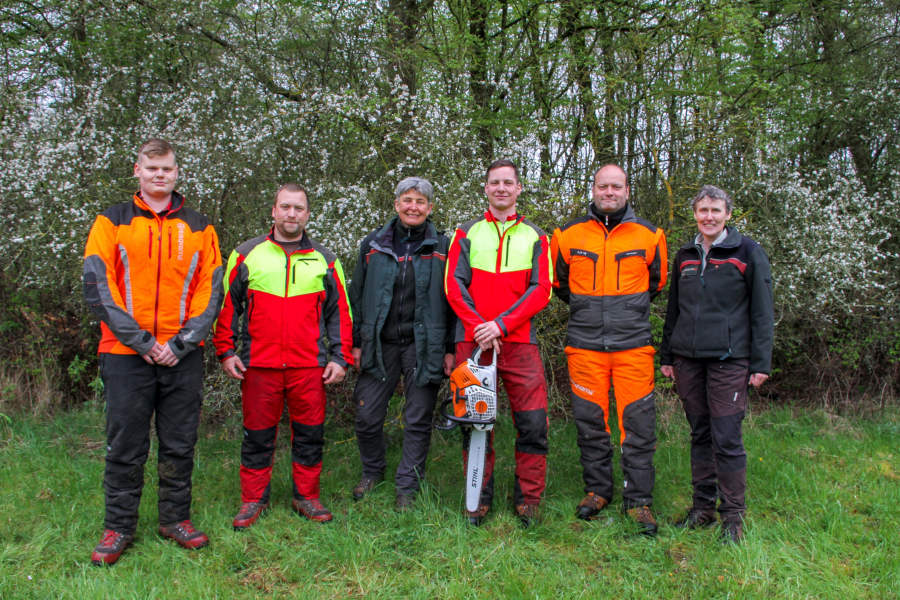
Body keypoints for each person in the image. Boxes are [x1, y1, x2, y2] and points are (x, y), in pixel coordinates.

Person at [83, 138, 223, 565]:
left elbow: (211, 291)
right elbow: (97, 287)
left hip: (183, 354)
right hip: (126, 353)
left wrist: (180, 344)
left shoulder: (200, 226)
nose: (159, 175)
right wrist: (142, 342)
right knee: (125, 443)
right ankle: (119, 526)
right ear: (137, 171)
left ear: (177, 172)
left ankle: (174, 519)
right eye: (152, 168)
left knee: (179, 442)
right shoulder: (111, 222)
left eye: (167, 169)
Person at [213, 183, 353, 529]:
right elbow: (227, 307)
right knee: (257, 434)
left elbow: (341, 314)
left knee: (309, 434)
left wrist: (340, 357)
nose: (292, 214)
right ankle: (252, 500)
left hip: (310, 365)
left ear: (307, 214)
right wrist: (226, 351)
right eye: (285, 207)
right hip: (259, 365)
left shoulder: (325, 259)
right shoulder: (246, 254)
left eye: (299, 208)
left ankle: (306, 497)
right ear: (273, 211)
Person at [550, 164, 667, 535]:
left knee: (638, 426)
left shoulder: (650, 235)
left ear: (627, 191)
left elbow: (657, 283)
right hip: (584, 347)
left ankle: (639, 501)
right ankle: (597, 491)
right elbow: (560, 284)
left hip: (633, 347)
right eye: (603, 186)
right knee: (590, 424)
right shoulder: (567, 235)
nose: (610, 192)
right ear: (594, 189)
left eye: (616, 187)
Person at [660, 184, 773, 544]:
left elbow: (762, 311)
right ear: (695, 214)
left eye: (716, 210)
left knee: (727, 438)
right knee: (700, 434)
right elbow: (673, 310)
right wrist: (667, 356)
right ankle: (702, 508)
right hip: (688, 361)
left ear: (728, 214)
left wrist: (760, 363)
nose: (708, 217)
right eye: (703, 210)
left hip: (730, 360)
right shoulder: (685, 255)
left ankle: (733, 519)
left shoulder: (748, 252)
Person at [444, 159, 552, 528]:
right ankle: (478, 499)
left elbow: (542, 290)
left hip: (519, 342)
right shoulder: (466, 232)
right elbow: (453, 286)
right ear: (486, 188)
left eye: (509, 182)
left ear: (519, 188)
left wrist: (501, 326)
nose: (502, 188)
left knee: (533, 423)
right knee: (474, 422)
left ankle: (528, 500)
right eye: (495, 183)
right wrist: (480, 328)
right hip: (471, 341)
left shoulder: (536, 236)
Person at [348, 177, 455, 510]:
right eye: (408, 200)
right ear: (396, 204)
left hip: (425, 345)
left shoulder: (443, 246)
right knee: (367, 416)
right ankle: (372, 471)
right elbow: (356, 296)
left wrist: (451, 348)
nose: (413, 207)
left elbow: (455, 301)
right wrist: (354, 342)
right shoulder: (373, 245)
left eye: (421, 202)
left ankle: (407, 486)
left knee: (418, 417)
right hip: (379, 343)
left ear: (430, 208)